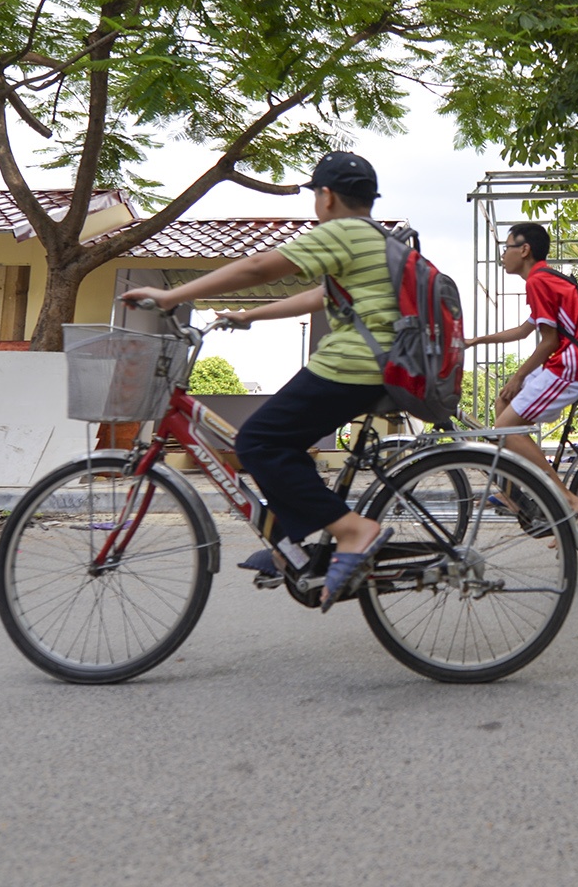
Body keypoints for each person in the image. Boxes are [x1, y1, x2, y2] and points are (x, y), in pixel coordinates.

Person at [118, 151, 393, 609]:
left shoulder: (342, 232)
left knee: (257, 443)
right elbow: (318, 295)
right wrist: (248, 316)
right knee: (278, 446)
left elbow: (258, 267)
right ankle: (291, 545)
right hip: (381, 365)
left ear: (325, 197)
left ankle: (353, 530)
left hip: (355, 364)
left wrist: (173, 295)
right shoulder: (374, 240)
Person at [467, 223, 578, 519]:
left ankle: (564, 498)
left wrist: (518, 376)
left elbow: (548, 341)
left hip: (573, 365)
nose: (503, 254)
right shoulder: (543, 279)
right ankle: (511, 493)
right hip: (567, 361)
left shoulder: (538, 281)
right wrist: (477, 341)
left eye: (507, 246)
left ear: (524, 250)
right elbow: (525, 331)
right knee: (504, 405)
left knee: (505, 427)